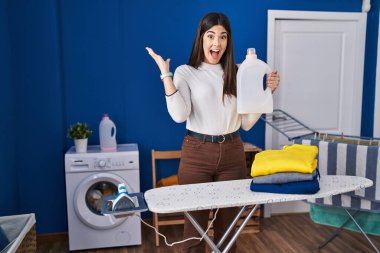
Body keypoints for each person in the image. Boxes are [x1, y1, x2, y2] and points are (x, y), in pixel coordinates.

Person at [146, 12, 280, 253]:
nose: (216, 43)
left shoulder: (238, 72)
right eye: (211, 36)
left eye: (223, 37)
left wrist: (267, 92)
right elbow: (179, 115)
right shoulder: (186, 72)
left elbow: (247, 123)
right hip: (197, 155)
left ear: (228, 41)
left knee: (228, 229)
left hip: (232, 153)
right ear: (201, 39)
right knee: (194, 231)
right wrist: (166, 75)